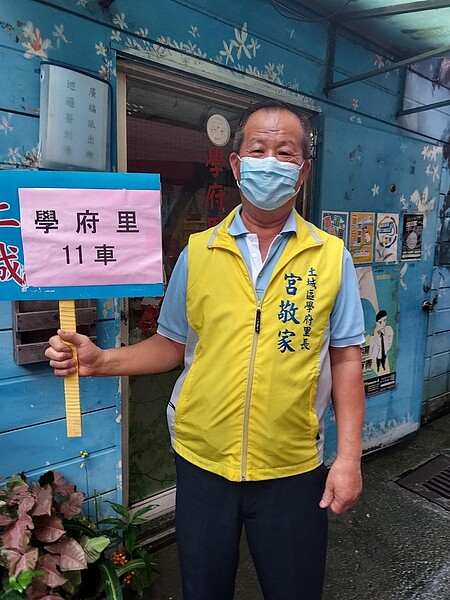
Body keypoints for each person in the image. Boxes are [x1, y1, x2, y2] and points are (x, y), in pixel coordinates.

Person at [46, 99, 366, 600]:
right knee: (204, 589)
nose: (271, 161)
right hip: (202, 463)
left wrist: (349, 458)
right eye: (258, 149)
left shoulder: (331, 257)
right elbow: (171, 343)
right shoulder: (199, 252)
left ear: (302, 172)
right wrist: (102, 361)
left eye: (285, 153)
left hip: (293, 467)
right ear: (237, 165)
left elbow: (346, 357)